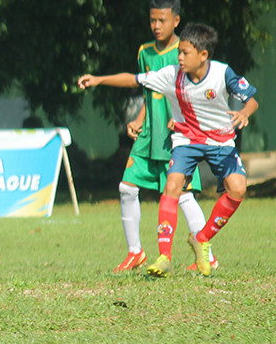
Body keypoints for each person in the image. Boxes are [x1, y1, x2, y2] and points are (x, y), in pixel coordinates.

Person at [77, 23, 258, 277]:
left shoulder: (222, 73)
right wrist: (98, 79)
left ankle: (202, 238)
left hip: (220, 141)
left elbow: (251, 100)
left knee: (238, 189)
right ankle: (164, 256)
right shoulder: (171, 74)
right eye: (179, 52)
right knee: (172, 186)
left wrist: (244, 112)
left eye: (185, 53)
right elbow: (133, 80)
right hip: (186, 139)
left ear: (203, 55)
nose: (179, 57)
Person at [116, 0, 216, 273]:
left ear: (176, 20)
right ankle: (135, 252)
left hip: (178, 137)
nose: (156, 25)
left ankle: (209, 252)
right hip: (149, 135)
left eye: (162, 20)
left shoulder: (185, 53)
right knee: (127, 188)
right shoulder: (144, 53)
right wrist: (139, 119)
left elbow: (197, 91)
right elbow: (151, 89)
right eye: (152, 19)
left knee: (182, 195)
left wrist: (180, 119)